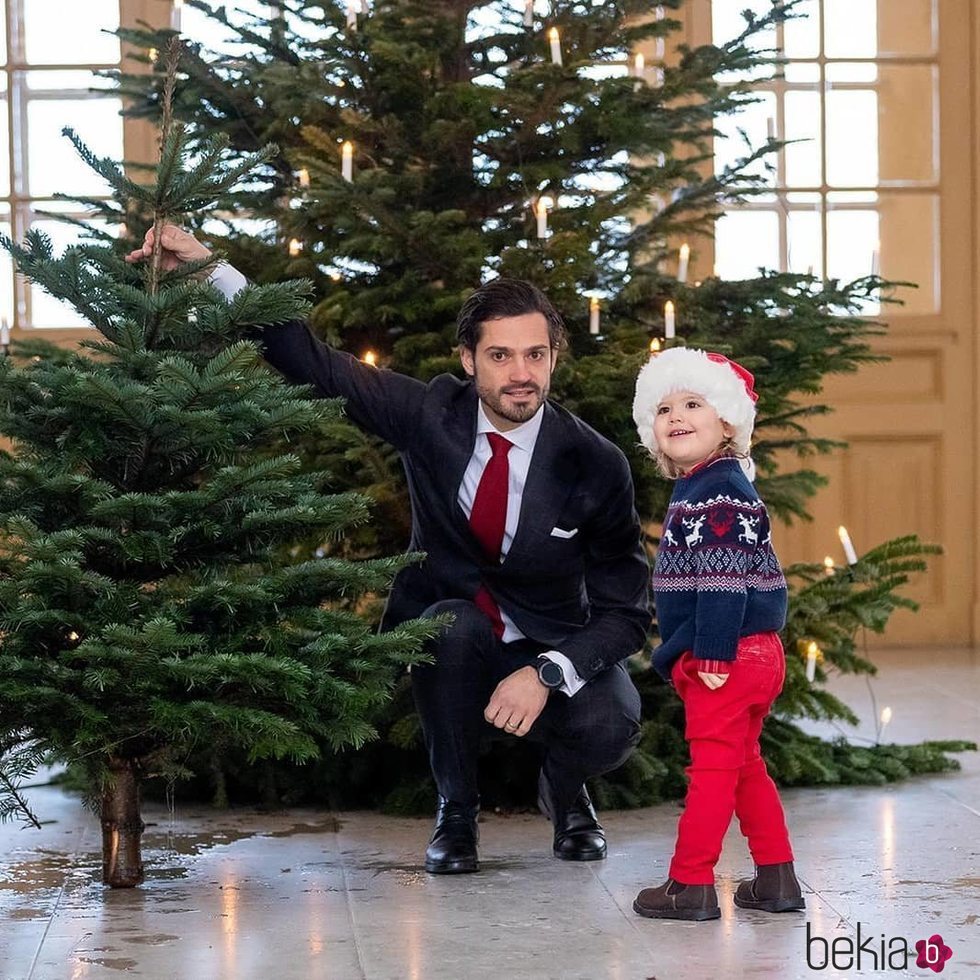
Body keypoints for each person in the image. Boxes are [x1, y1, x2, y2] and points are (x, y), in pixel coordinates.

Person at [126, 226, 649, 874]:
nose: (521, 375)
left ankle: (568, 794)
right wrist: (210, 270)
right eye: (501, 356)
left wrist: (547, 673)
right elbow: (312, 361)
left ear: (553, 358)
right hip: (459, 631)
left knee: (613, 724)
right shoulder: (429, 413)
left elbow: (628, 612)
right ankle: (457, 813)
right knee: (447, 628)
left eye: (536, 356)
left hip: (551, 637)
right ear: (468, 359)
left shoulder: (595, 461)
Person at [628, 346, 804, 921]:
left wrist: (712, 650)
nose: (676, 416)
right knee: (745, 763)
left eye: (692, 403)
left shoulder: (718, 490)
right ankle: (776, 878)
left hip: (727, 654)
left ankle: (691, 883)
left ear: (726, 421)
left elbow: (724, 576)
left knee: (710, 772)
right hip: (757, 655)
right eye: (664, 408)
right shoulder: (705, 485)